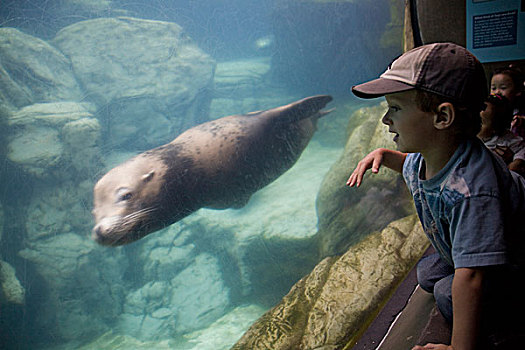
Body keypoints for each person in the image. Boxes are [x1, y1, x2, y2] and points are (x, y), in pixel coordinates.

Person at [346, 43, 525, 349]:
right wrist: (383, 155)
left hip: (514, 260)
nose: (386, 119)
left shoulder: (471, 191)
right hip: (484, 242)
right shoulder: (431, 152)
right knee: (428, 272)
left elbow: (471, 278)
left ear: (442, 117)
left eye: (396, 108)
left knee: (447, 292)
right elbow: (410, 167)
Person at [478, 93, 525, 176]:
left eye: (480, 123)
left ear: (495, 129)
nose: (474, 124)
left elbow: (521, 149)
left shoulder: (506, 140)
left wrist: (517, 162)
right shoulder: (468, 136)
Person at [490, 66, 525, 138]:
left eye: (503, 88)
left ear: (518, 90)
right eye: (493, 88)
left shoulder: (521, 112)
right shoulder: (488, 112)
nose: (497, 92)